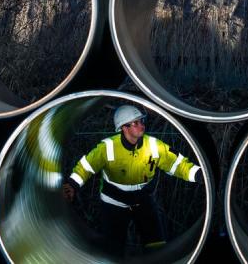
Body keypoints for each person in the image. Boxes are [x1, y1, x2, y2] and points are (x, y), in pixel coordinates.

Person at [63, 104, 201, 253]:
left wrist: (198, 175)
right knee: (112, 250)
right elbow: (86, 166)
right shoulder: (108, 147)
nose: (141, 125)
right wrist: (72, 185)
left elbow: (177, 164)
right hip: (113, 204)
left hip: (143, 201)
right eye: (135, 123)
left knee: (157, 246)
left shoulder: (154, 146)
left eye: (141, 121)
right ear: (124, 127)